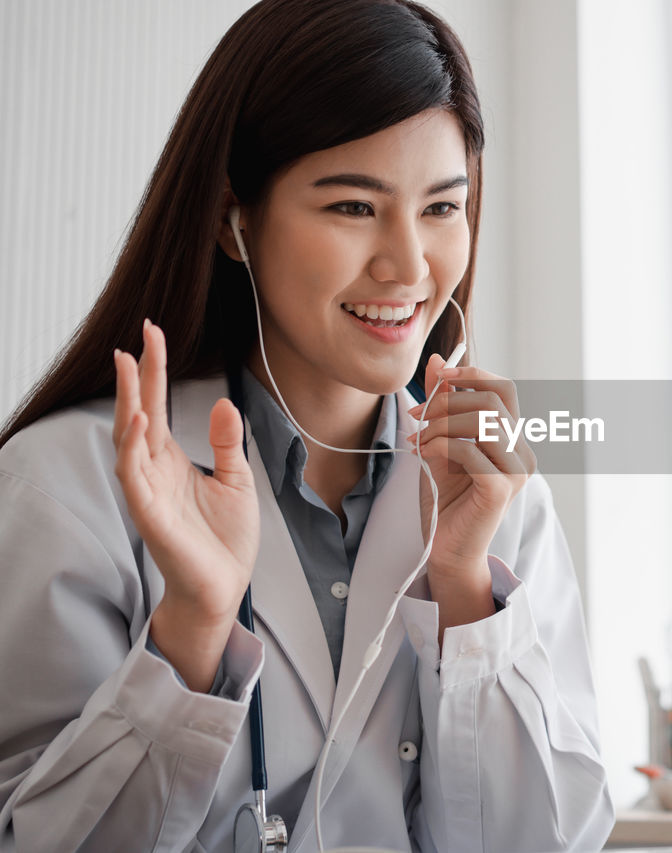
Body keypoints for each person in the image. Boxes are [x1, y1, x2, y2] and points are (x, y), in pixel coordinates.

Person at [0, 0, 613, 850]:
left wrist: (468, 588)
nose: (409, 265)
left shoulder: (497, 495)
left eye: (442, 208)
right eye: (355, 208)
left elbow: (548, 841)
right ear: (232, 220)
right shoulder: (64, 484)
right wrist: (192, 631)